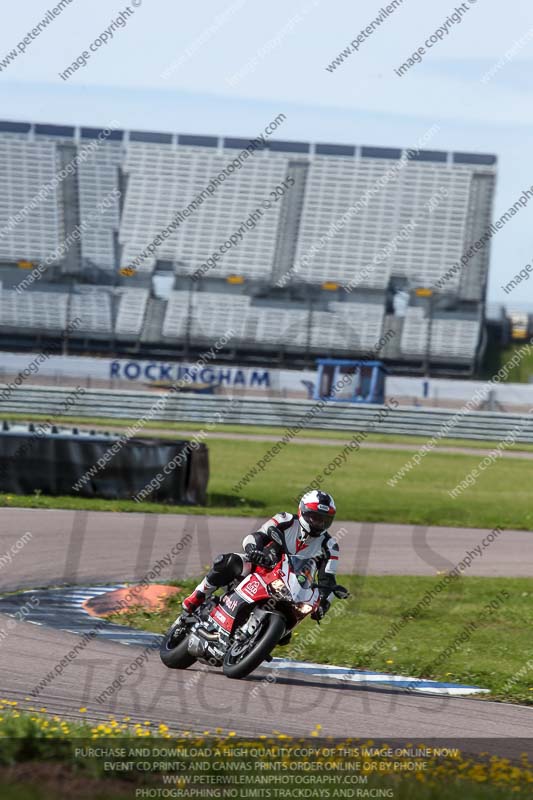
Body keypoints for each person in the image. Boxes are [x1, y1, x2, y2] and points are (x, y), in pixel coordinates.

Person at [182, 490, 342, 623]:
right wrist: (254, 551)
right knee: (229, 562)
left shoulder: (330, 546)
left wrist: (324, 605)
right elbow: (256, 536)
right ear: (303, 512)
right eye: (314, 517)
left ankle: (258, 639)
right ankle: (197, 596)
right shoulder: (285, 520)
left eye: (324, 520)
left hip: (294, 590)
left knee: (286, 635)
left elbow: (328, 580)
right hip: (263, 569)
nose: (318, 523)